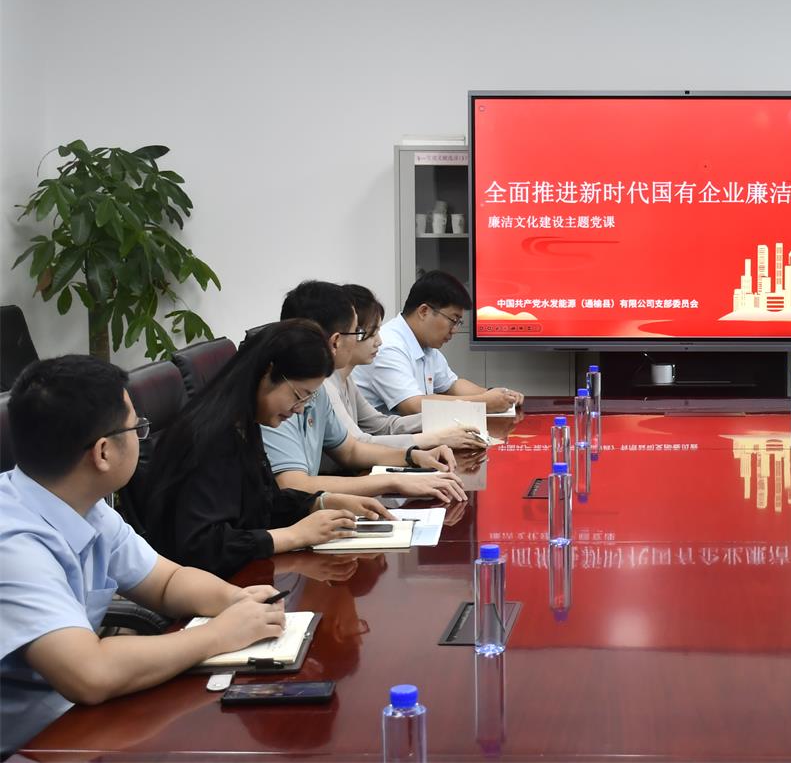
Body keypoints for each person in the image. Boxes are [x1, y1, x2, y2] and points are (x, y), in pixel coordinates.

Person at [0, 356, 287, 755]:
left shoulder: (84, 504)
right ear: (103, 453)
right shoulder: (12, 544)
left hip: (80, 724)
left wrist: (234, 600)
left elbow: (167, 581)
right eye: (137, 428)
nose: (142, 437)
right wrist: (220, 634)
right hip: (32, 744)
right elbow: (89, 673)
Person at [141, 320, 392, 579]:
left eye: (308, 399)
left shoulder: (244, 422)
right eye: (298, 395)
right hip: (206, 585)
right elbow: (203, 545)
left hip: (243, 575)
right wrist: (294, 536)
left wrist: (321, 502)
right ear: (267, 372)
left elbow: (263, 501)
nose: (299, 409)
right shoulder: (211, 438)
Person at [267, 283, 469, 503]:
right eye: (361, 332)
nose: (377, 341)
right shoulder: (278, 391)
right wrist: (393, 480)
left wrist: (412, 456)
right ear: (335, 341)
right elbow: (293, 485)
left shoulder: (319, 388)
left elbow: (351, 449)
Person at [330, 283, 486, 452]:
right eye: (371, 333)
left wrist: (451, 418)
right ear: (337, 338)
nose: (379, 341)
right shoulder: (327, 384)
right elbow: (357, 445)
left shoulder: (346, 380)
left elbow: (384, 425)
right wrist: (435, 438)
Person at [353, 270, 524, 417]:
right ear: (424, 311)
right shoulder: (389, 346)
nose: (454, 330)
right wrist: (484, 402)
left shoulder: (425, 345)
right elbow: (413, 406)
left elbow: (452, 385)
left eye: (458, 323)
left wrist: (499, 395)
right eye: (453, 320)